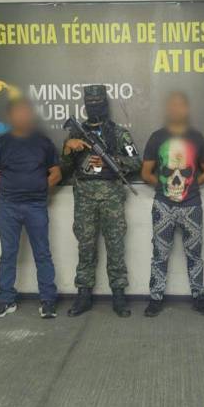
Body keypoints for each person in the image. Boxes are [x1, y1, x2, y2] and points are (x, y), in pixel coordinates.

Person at [60, 85, 141, 317]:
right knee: (85, 247)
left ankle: (119, 295)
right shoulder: (75, 134)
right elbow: (64, 167)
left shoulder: (119, 133)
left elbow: (136, 162)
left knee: (115, 247)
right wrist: (68, 148)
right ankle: (83, 295)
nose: (94, 106)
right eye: (91, 102)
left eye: (98, 102)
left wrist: (113, 160)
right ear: (85, 105)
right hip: (84, 198)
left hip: (111, 198)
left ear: (105, 103)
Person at [0, 98, 61, 319]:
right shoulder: (1, 144)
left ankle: (48, 301)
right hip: (7, 205)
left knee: (42, 253)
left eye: (26, 111)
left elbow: (56, 173)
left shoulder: (43, 143)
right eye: (18, 112)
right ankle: (6, 300)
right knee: (8, 254)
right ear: (10, 116)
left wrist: (40, 187)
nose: (22, 115)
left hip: (36, 205)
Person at [141, 92, 204, 317]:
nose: (176, 109)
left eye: (180, 105)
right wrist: (164, 186)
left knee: (195, 255)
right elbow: (146, 173)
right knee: (159, 255)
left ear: (186, 109)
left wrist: (191, 184)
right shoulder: (157, 137)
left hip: (192, 206)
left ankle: (199, 297)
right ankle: (155, 298)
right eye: (172, 105)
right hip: (163, 206)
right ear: (167, 109)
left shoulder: (197, 137)